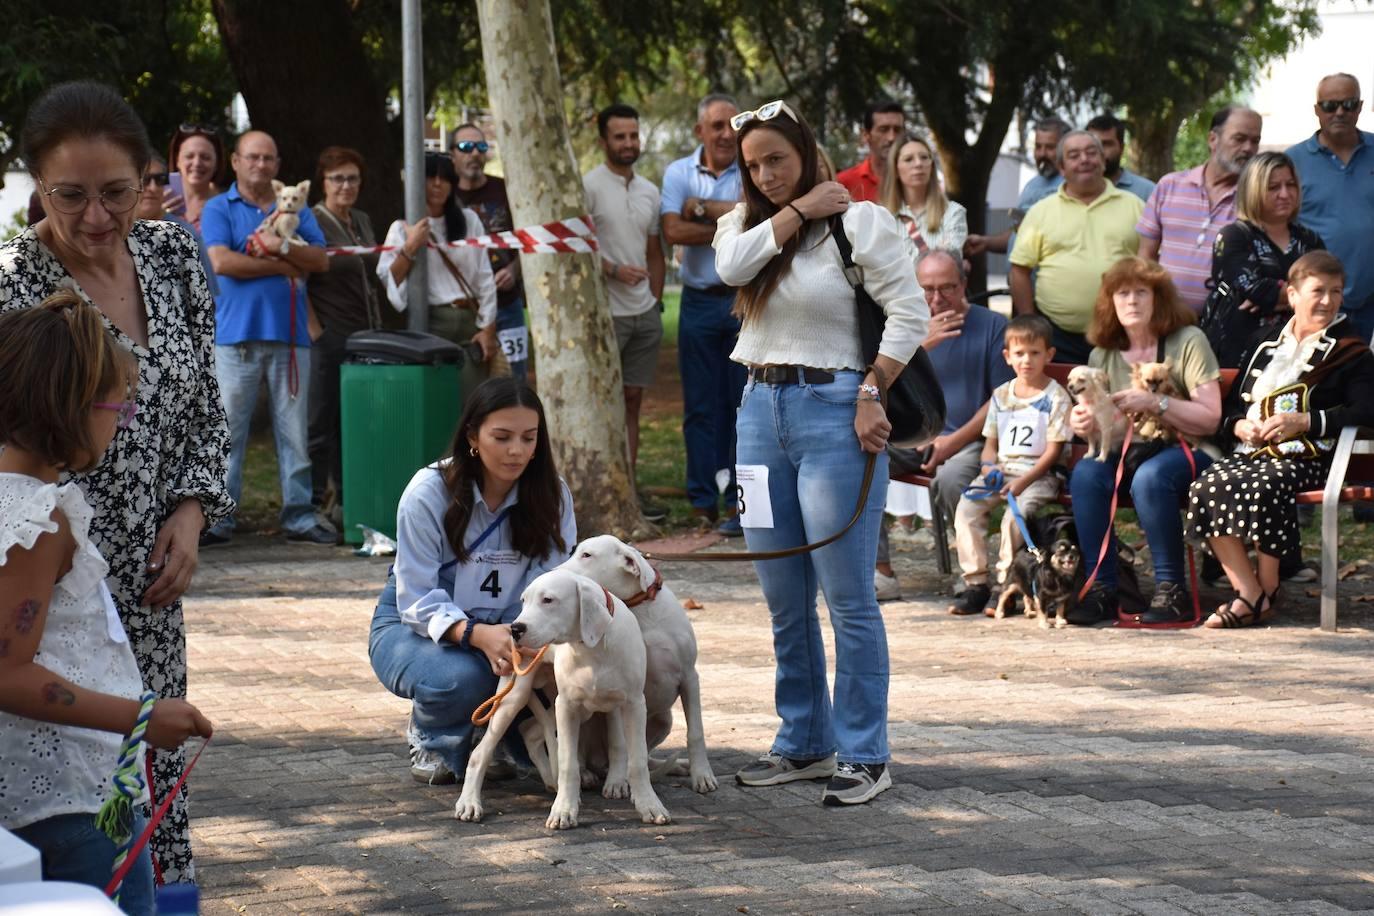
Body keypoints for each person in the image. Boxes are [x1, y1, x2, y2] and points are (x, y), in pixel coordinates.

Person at [0, 80, 232, 883]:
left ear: (149, 181)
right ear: (36, 185)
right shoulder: (9, 283)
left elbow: (205, 402)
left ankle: (154, 895)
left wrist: (192, 513)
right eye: (71, 195)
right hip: (49, 565)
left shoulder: (172, 255)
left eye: (117, 193)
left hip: (155, 573)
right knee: (63, 786)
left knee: (150, 773)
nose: (97, 217)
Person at [713, 99, 928, 806]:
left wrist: (873, 391)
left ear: (805, 148)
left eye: (778, 158)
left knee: (848, 596)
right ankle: (803, 741)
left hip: (835, 411)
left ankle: (865, 752)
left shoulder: (862, 221)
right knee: (782, 596)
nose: (766, 173)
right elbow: (731, 267)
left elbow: (909, 313)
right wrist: (800, 209)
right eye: (753, 165)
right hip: (756, 416)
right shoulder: (748, 226)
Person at [0, 293, 215, 913]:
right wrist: (141, 717)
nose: (123, 419)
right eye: (118, 404)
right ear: (70, 406)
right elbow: (8, 672)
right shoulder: (35, 521)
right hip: (68, 806)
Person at [368, 378, 575, 784]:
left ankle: (507, 741)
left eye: (528, 438)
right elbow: (417, 597)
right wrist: (478, 635)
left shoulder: (552, 495)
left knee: (554, 671)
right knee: (462, 677)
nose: (516, 450)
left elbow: (553, 582)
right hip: (413, 624)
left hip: (515, 626)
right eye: (502, 437)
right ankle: (433, 737)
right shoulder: (428, 492)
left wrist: (516, 639)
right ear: (472, 437)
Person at [1187, 251, 1374, 627]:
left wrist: (1304, 420)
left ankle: (1268, 589)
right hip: (1252, 451)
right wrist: (1239, 427)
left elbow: (1366, 412)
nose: (1327, 300)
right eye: (1317, 290)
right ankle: (1249, 592)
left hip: (1309, 457)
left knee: (1265, 485)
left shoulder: (1351, 351)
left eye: (1335, 291)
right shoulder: (1264, 342)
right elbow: (1233, 406)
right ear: (1292, 295)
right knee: (1205, 486)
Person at [1068, 257, 1222, 625]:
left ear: (1159, 299)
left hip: (1185, 448)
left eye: (1141, 292)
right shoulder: (1102, 354)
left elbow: (1210, 417)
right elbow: (1100, 421)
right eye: (1122, 294)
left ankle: (1172, 590)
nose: (1132, 301)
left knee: (1151, 478)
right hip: (1128, 450)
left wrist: (1156, 402)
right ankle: (1103, 589)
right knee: (1086, 474)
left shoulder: (1188, 341)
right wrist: (1082, 422)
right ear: (1110, 303)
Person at [200, 130, 334, 547]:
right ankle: (219, 518)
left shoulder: (295, 205)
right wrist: (285, 265)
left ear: (277, 166)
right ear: (236, 162)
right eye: (252, 157)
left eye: (269, 159)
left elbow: (321, 259)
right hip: (235, 337)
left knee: (295, 433)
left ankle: (298, 515)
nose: (261, 165)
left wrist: (276, 247)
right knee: (228, 434)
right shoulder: (218, 207)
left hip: (291, 337)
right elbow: (222, 261)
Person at [873, 250, 1012, 601]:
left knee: (952, 480)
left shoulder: (992, 326)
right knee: (859, 463)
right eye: (927, 289)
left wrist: (951, 442)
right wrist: (918, 347)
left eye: (947, 288)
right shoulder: (900, 326)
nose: (937, 298)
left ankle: (972, 573)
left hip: (971, 439)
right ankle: (880, 571)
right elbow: (875, 384)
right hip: (909, 435)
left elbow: (1000, 398)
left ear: (964, 284)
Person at [661, 94, 748, 534]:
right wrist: (732, 223)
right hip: (696, 302)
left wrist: (703, 208)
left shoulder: (750, 166)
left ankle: (739, 500)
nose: (726, 133)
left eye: (732, 124)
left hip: (742, 301)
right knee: (699, 406)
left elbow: (758, 220)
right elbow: (672, 229)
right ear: (700, 131)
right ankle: (701, 502)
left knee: (742, 404)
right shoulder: (678, 172)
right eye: (716, 125)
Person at [948, 315, 1072, 616]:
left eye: (1034, 353)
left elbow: (1053, 452)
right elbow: (990, 443)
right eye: (1019, 353)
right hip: (1003, 471)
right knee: (966, 510)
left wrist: (1023, 481)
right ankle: (976, 583)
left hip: (1039, 475)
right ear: (1007, 356)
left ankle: (1007, 584)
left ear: (1048, 355)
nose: (1026, 360)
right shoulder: (1001, 395)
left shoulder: (1056, 397)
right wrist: (989, 466)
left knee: (1012, 521)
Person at [583, 104, 667, 519]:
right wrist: (613, 270)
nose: (629, 143)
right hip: (607, 314)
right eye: (620, 137)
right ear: (603, 141)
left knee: (633, 400)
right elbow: (577, 250)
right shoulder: (588, 187)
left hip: (645, 314)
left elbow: (655, 252)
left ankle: (631, 490)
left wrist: (655, 297)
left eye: (634, 136)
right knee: (608, 403)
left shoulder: (651, 190)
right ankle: (608, 487)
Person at [1010, 130, 1143, 364]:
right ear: (1062, 167)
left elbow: (1150, 266)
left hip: (1122, 333)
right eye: (1074, 155)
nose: (1084, 159)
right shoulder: (1041, 211)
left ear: (1103, 161)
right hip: (1058, 338)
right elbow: (1019, 270)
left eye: (1092, 153)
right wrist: (1030, 322)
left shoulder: (1135, 207)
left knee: (1122, 399)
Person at [377, 152, 500, 401]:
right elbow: (389, 280)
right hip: (432, 323)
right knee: (435, 401)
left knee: (472, 401)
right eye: (430, 177)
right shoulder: (402, 228)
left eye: (444, 178)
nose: (437, 184)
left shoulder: (469, 220)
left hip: (469, 320)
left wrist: (488, 328)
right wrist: (410, 248)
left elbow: (485, 277)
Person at [308, 146, 382, 520]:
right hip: (330, 333)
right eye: (338, 178)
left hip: (366, 334)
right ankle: (315, 503)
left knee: (357, 422)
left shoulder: (363, 221)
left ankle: (348, 503)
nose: (346, 185)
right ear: (323, 182)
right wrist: (316, 332)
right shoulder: (312, 220)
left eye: (352, 178)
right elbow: (296, 276)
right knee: (322, 422)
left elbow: (377, 274)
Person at [1202, 151, 1325, 369]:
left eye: (1290, 185)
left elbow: (1327, 288)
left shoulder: (1309, 240)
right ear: (1253, 191)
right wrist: (1303, 296)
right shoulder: (1233, 236)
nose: (1285, 194)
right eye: (1273, 187)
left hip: (1300, 354)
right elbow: (1254, 288)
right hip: (1242, 353)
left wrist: (1275, 297)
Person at [1137, 106, 1262, 312]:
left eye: (1255, 141)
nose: (1248, 148)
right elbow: (1145, 256)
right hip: (1165, 320)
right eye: (1239, 139)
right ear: (1213, 139)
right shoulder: (1169, 186)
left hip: (1225, 325)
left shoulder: (1256, 198)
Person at [1285, 74, 1374, 343]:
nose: (1339, 112)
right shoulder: (1292, 161)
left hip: (1370, 298)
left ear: (1359, 107)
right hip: (1318, 300)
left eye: (1348, 104)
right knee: (1322, 379)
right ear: (1316, 110)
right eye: (1329, 105)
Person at [450, 124, 529, 380]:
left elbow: (530, 239)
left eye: (481, 147)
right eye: (466, 147)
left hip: (507, 305)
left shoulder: (507, 190)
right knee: (467, 382)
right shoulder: (443, 196)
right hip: (465, 308)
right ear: (452, 154)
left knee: (513, 380)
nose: (474, 153)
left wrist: (514, 270)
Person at [965, 116, 1070, 257]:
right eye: (1038, 147)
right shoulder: (1031, 186)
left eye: (1050, 147)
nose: (1042, 154)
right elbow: (1019, 232)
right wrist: (986, 242)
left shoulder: (1074, 186)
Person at [135, 152, 218, 300]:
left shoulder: (185, 234)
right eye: (145, 180)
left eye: (160, 179)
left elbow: (206, 300)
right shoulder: (112, 231)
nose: (153, 187)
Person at [879, 132, 968, 257]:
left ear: (931, 166)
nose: (918, 164)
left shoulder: (953, 212)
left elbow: (947, 263)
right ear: (895, 170)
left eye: (924, 157)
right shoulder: (880, 217)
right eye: (908, 159)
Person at [836, 99, 906, 203]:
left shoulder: (917, 180)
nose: (891, 137)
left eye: (897, 130)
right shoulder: (843, 183)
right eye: (883, 129)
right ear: (865, 135)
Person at [164, 123, 225, 230]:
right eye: (189, 156)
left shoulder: (228, 206)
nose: (197, 163)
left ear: (217, 163)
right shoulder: (159, 200)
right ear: (177, 160)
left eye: (205, 157)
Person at [1086, 114, 1156, 202]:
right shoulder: (1069, 191)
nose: (1100, 151)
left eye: (1107, 144)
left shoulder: (1147, 192)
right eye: (1094, 145)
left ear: (1121, 148)